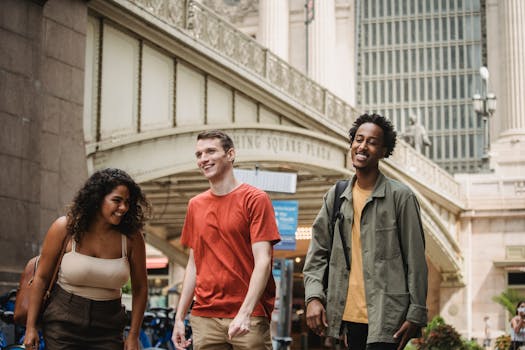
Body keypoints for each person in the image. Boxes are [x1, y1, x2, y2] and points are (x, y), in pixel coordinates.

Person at [303, 113, 428, 350]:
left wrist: (416, 314)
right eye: (358, 139)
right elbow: (317, 253)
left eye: (371, 142)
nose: (362, 146)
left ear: (383, 151)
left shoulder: (401, 197)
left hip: (388, 318)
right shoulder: (336, 196)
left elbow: (416, 261)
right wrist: (313, 297)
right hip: (346, 318)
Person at [171, 130, 281, 350]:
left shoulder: (255, 199)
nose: (203, 159)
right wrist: (179, 317)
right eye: (199, 154)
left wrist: (245, 312)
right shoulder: (195, 205)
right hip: (204, 317)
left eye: (211, 151)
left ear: (230, 154)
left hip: (248, 316)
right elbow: (194, 264)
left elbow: (263, 261)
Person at [23, 168, 150, 350]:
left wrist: (133, 335)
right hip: (63, 323)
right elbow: (41, 278)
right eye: (117, 200)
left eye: (127, 202)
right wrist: (31, 327)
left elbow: (141, 287)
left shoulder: (132, 238)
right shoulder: (65, 228)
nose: (123, 208)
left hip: (109, 327)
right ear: (98, 199)